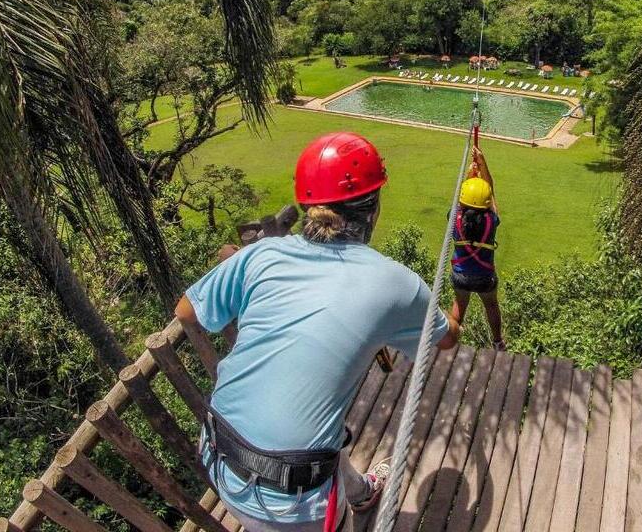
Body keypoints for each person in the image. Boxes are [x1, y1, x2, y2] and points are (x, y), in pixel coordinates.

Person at [174, 132, 461, 532]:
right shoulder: (395, 283)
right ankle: (352, 502)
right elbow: (447, 340)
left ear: (308, 206)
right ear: (373, 208)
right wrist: (456, 309)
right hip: (291, 506)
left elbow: (187, 311)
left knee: (315, 426)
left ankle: (360, 491)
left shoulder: (263, 254)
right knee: (314, 441)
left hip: (217, 454)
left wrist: (245, 269)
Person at [449, 146, 505, 350]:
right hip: (484, 276)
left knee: (459, 305)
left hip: (461, 275)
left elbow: (459, 196)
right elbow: (491, 193)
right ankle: (497, 341)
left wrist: (469, 176)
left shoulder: (454, 219)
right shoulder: (491, 221)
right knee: (491, 305)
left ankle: (450, 340)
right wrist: (483, 165)